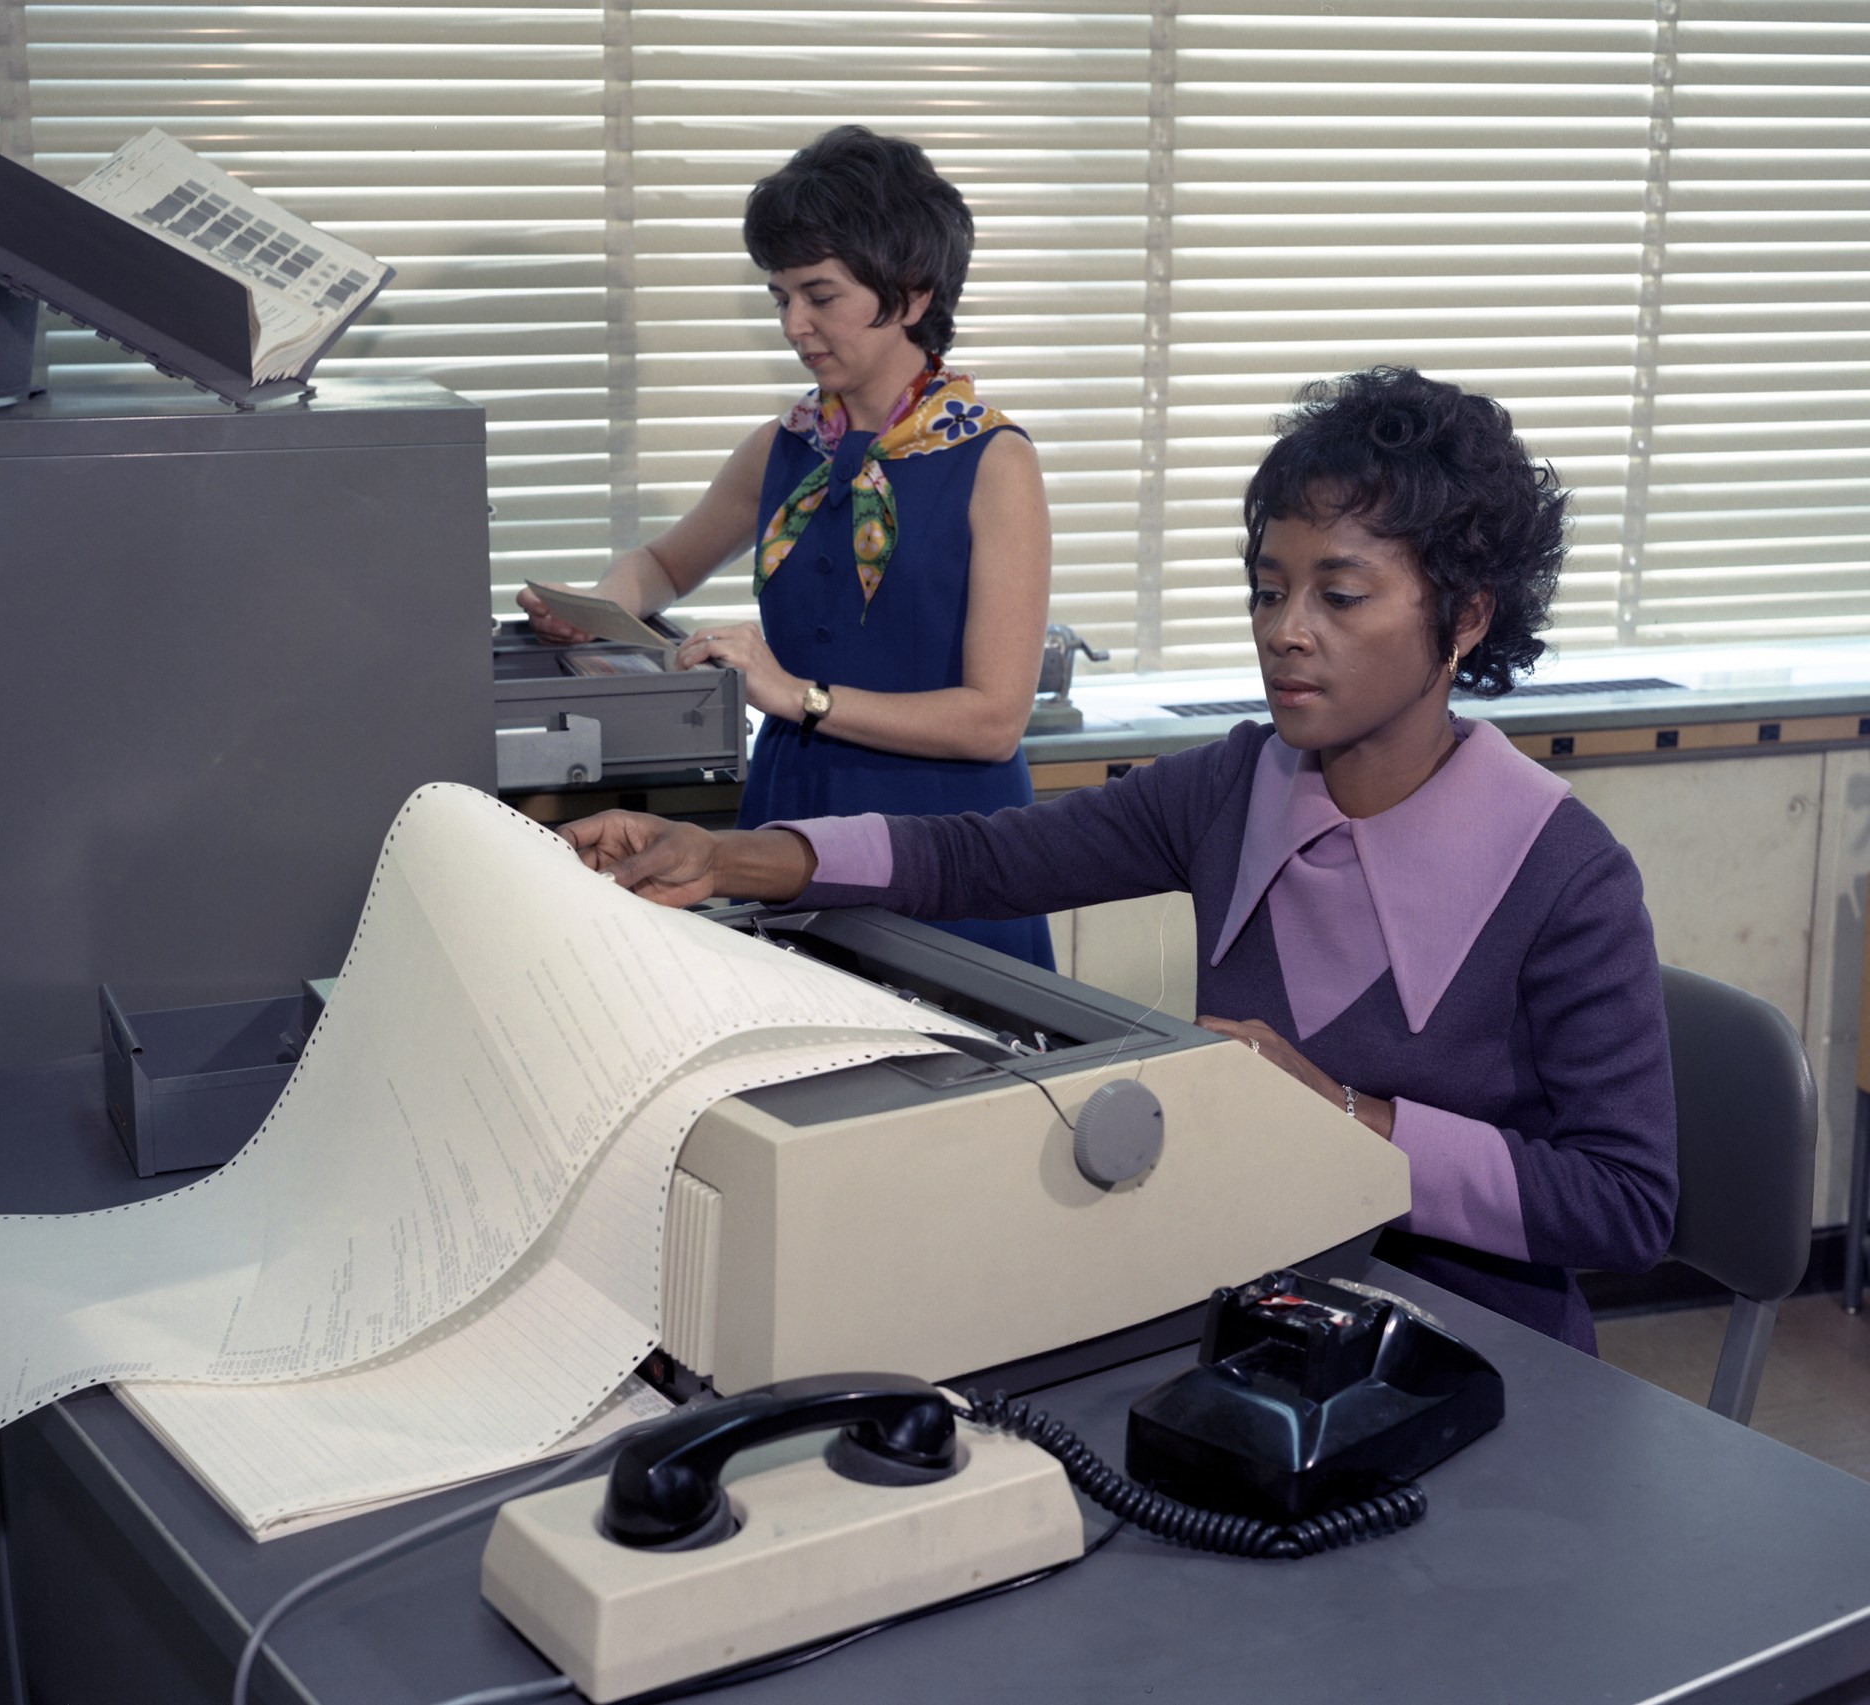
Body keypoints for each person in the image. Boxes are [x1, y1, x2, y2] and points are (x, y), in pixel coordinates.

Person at [556, 367, 1679, 1354]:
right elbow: (979, 861)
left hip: (1477, 1357)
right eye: (1266, 588)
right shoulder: (1234, 785)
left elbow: (1625, 1206)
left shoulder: (1563, 874)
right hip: (1259, 1308)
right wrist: (723, 855)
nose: (1285, 629)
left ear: (1467, 618)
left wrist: (1338, 1112)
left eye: (1337, 595)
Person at [517, 126, 1054, 967]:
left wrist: (796, 693)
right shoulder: (785, 445)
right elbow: (662, 565)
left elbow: (994, 720)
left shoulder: (994, 461)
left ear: (911, 293)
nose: (794, 324)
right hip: (791, 813)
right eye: (779, 298)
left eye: (819, 295)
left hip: (947, 839)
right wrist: (594, 609)